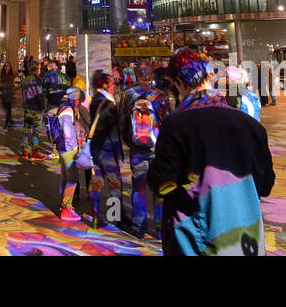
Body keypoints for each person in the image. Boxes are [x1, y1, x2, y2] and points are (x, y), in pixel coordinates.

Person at [147, 49, 275, 255]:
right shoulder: (250, 125)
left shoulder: (177, 124)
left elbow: (162, 184)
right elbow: (265, 184)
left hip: (196, 238)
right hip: (245, 238)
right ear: (211, 77)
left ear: (180, 82)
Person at [120, 69, 170, 239]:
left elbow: (122, 121)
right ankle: (161, 228)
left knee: (138, 188)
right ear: (150, 75)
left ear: (136, 74)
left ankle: (138, 227)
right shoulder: (160, 95)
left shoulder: (127, 94)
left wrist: (130, 142)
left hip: (137, 150)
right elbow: (167, 120)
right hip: (158, 149)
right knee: (159, 191)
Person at [88, 70, 123, 230]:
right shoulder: (108, 104)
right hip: (107, 150)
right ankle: (114, 217)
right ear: (104, 85)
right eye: (112, 83)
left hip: (95, 148)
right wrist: (119, 153)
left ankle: (95, 216)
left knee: (97, 182)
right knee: (114, 183)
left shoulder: (95, 100)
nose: (114, 86)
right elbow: (113, 132)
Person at [52, 85, 89, 222]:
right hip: (68, 149)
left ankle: (66, 205)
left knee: (66, 177)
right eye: (79, 100)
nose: (79, 103)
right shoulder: (67, 111)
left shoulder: (63, 107)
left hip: (63, 147)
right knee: (72, 178)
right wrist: (74, 147)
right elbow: (67, 132)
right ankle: (66, 209)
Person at [20, 64, 46, 158]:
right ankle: (34, 151)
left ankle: (24, 150)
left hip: (27, 108)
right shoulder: (37, 81)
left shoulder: (25, 80)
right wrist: (42, 107)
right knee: (36, 131)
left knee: (26, 129)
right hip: (35, 108)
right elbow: (39, 95)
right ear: (36, 70)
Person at [0, 58, 15, 127]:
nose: (7, 67)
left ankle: (6, 123)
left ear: (10, 67)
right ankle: (10, 121)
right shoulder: (2, 74)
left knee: (8, 108)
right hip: (3, 94)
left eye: (8, 66)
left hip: (9, 94)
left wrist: (2, 85)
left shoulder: (11, 75)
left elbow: (10, 84)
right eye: (6, 66)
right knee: (6, 108)